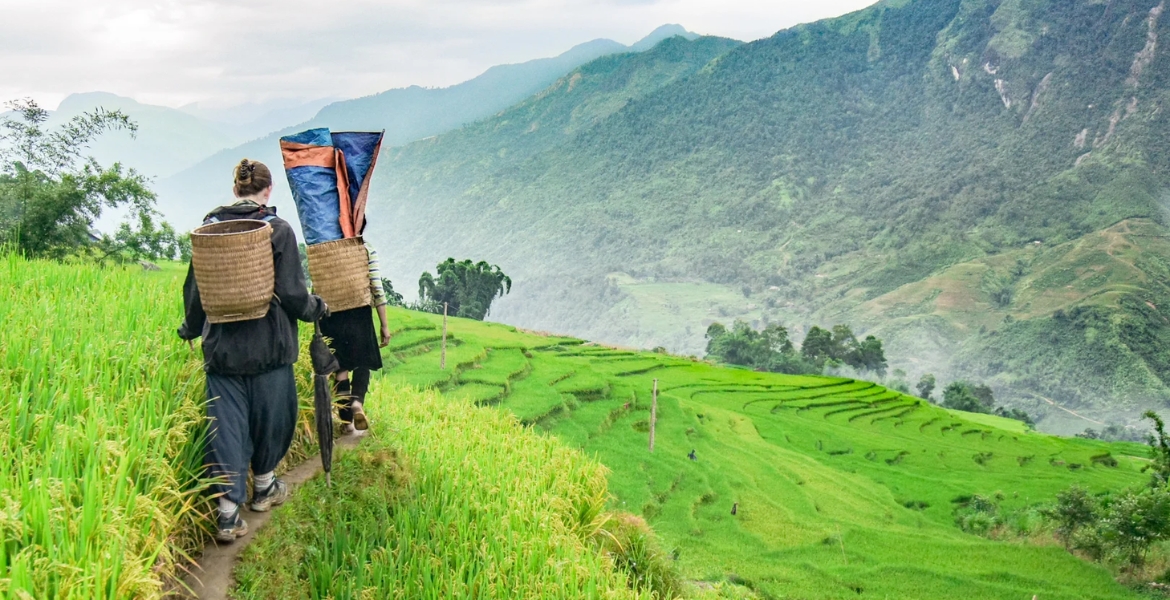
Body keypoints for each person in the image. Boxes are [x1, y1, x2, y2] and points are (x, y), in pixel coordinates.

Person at [178, 158, 328, 543]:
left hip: (222, 351)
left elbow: (197, 291)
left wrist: (190, 329)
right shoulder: (276, 230)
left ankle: (227, 514)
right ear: (268, 189)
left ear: (235, 190)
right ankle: (264, 488)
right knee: (273, 420)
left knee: (225, 428)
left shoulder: (210, 230)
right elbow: (295, 295)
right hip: (269, 348)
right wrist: (317, 308)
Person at [320, 232, 391, 434]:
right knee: (362, 362)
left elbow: (317, 286)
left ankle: (346, 423)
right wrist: (384, 324)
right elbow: (376, 287)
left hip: (331, 313)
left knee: (341, 368)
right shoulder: (366, 247)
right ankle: (357, 402)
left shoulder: (325, 249)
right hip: (359, 312)